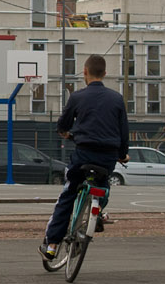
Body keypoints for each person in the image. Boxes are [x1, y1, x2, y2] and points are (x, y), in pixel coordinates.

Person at [43, 54, 128, 260]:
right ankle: (96, 215)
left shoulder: (77, 97)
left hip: (83, 154)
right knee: (102, 187)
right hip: (107, 157)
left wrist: (66, 132)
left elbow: (62, 125)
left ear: (85, 72)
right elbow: (123, 131)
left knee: (69, 194)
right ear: (105, 74)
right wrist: (122, 154)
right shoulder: (117, 99)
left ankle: (52, 245)